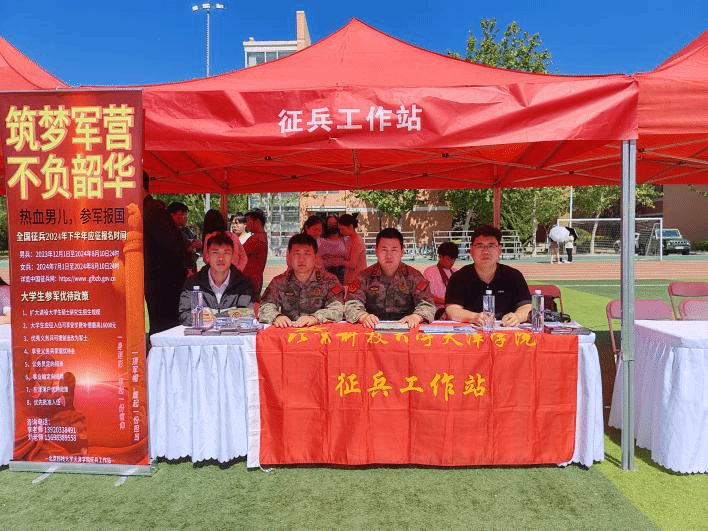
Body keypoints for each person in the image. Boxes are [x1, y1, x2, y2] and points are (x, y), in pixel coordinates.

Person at [344, 228, 434, 328]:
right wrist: (363, 316)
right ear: (376, 251)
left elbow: (427, 304)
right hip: (372, 327)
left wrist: (416, 317)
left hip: (406, 327)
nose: (389, 256)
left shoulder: (414, 276)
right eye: (384, 250)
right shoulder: (364, 277)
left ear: (402, 252)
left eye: (394, 250)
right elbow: (352, 303)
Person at [445, 225, 532, 327]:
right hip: (471, 332)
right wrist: (474, 317)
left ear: (499, 250)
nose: (485, 251)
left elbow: (527, 306)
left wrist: (517, 316)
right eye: (480, 246)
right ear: (471, 251)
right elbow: (452, 310)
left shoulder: (514, 276)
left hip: (506, 330)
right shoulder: (459, 277)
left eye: (491, 246)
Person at [259, 233, 344, 328]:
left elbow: (338, 308)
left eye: (307, 254)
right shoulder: (279, 282)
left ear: (315, 257)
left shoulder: (329, 281)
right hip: (289, 332)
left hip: (319, 332)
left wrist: (316, 318)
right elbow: (265, 306)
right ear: (289, 256)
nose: (301, 259)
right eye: (297, 254)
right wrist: (276, 317)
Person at [143, 172, 188, 334]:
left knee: (164, 331)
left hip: (163, 286)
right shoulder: (151, 209)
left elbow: (171, 247)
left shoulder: (153, 210)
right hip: (160, 284)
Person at [179, 232, 255, 326]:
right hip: (203, 334)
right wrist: (197, 318)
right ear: (207, 256)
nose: (221, 258)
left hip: (230, 334)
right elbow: (183, 315)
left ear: (232, 257)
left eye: (226, 253)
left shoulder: (244, 283)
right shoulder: (192, 283)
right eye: (215, 252)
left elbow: (246, 313)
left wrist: (215, 318)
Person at [423, 241, 459, 320]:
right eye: (448, 259)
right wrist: (448, 302)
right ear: (440, 257)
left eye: (454, 260)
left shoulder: (456, 272)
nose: (452, 262)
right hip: (437, 310)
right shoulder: (429, 272)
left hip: (455, 308)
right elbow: (427, 296)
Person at [167, 201, 201, 277]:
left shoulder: (188, 231)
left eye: (186, 214)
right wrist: (190, 247)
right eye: (181, 214)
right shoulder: (168, 232)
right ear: (172, 215)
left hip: (191, 268)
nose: (185, 217)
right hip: (177, 271)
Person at [242, 208, 269, 301]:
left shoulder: (257, 239)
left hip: (249, 283)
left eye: (248, 220)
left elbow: (238, 253)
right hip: (253, 282)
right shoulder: (260, 237)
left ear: (257, 221)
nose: (246, 224)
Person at [338, 213, 367, 287]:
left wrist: (338, 261)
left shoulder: (356, 241)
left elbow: (352, 264)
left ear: (351, 226)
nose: (341, 231)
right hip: (350, 278)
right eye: (340, 229)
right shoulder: (349, 239)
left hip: (356, 280)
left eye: (343, 229)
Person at [318, 214, 347, 283]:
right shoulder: (321, 240)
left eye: (334, 224)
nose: (332, 226)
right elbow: (318, 258)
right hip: (326, 272)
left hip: (343, 272)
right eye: (330, 224)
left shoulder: (345, 240)